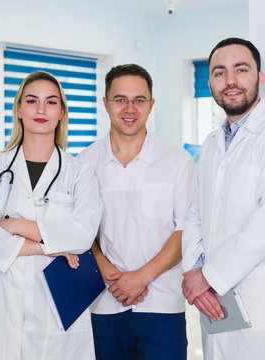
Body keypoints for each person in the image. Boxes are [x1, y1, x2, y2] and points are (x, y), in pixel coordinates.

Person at [181, 38, 265, 359]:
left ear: (259, 77)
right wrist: (195, 269)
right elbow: (197, 211)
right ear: (210, 82)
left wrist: (208, 278)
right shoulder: (211, 144)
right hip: (216, 299)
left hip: (260, 300)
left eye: (241, 69)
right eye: (220, 73)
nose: (231, 81)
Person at [0, 71, 103, 359]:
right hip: (1, 300)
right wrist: (45, 247)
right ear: (19, 110)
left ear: (61, 112)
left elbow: (81, 235)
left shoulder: (80, 173)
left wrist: (15, 225)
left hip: (57, 304)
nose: (41, 110)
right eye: (32, 101)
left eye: (51, 102)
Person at [78, 64, 195, 360]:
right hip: (105, 301)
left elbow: (187, 229)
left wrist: (141, 277)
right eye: (120, 99)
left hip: (162, 303)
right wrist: (104, 267)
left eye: (139, 100)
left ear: (151, 105)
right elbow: (79, 229)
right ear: (105, 104)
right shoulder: (83, 164)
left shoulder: (177, 160)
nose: (130, 109)